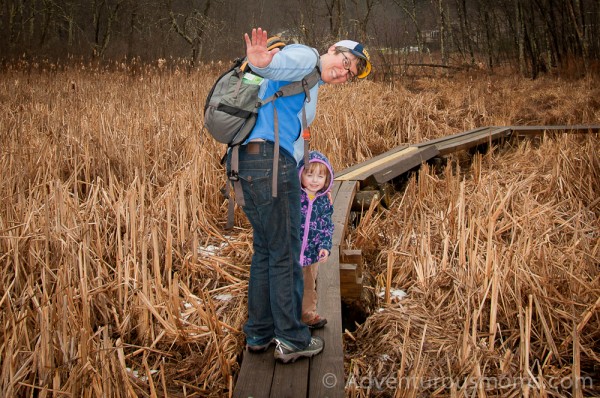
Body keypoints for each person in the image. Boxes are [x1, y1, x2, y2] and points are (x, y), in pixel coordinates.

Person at [226, 27, 371, 363]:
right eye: (344, 62)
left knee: (266, 250)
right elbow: (274, 67)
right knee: (286, 253)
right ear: (333, 49)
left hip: (248, 162)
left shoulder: (312, 84)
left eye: (349, 74)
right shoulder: (305, 56)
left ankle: (259, 332)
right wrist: (261, 63)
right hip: (269, 163)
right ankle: (291, 337)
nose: (343, 72)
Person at [299, 151, 334, 330]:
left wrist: (325, 247)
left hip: (311, 254)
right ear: (301, 175)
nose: (314, 180)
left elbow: (327, 227)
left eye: (320, 176)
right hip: (291, 252)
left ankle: (308, 315)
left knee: (308, 286)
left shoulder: (324, 202)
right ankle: (285, 317)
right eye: (309, 174)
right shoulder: (295, 197)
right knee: (286, 285)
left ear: (327, 179)